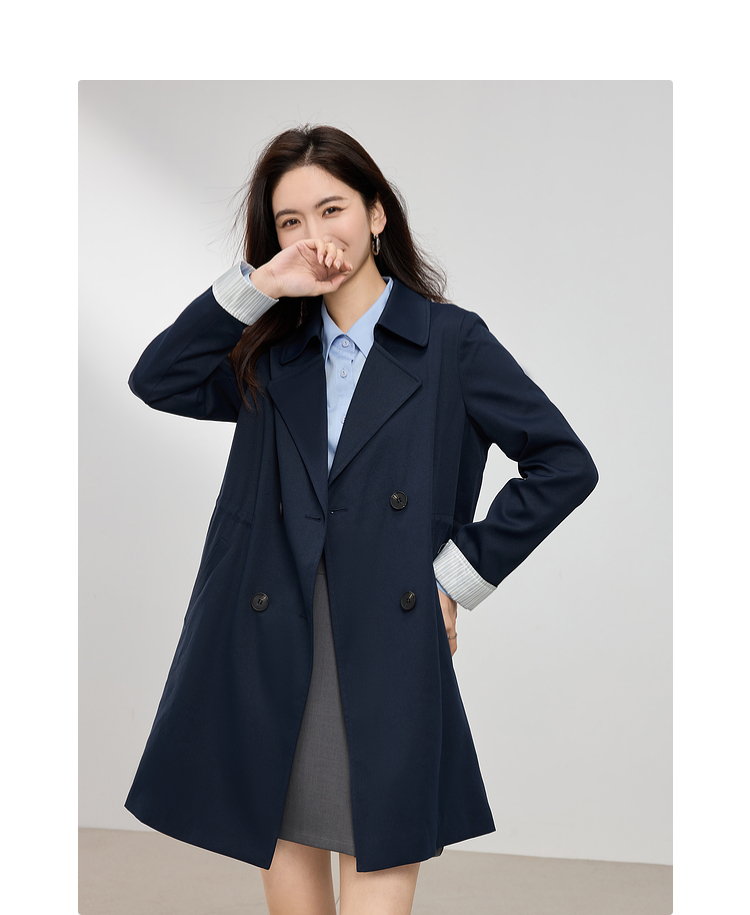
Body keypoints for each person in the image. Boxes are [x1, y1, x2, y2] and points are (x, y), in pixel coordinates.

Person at [125, 124, 599, 915]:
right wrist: (262, 284)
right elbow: (158, 378)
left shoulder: (450, 342)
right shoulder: (270, 350)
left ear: (376, 214)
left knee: (379, 842)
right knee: (284, 846)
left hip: (385, 632)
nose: (315, 235)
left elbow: (563, 463)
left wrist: (455, 576)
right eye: (291, 221)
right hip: (266, 631)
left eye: (332, 209)